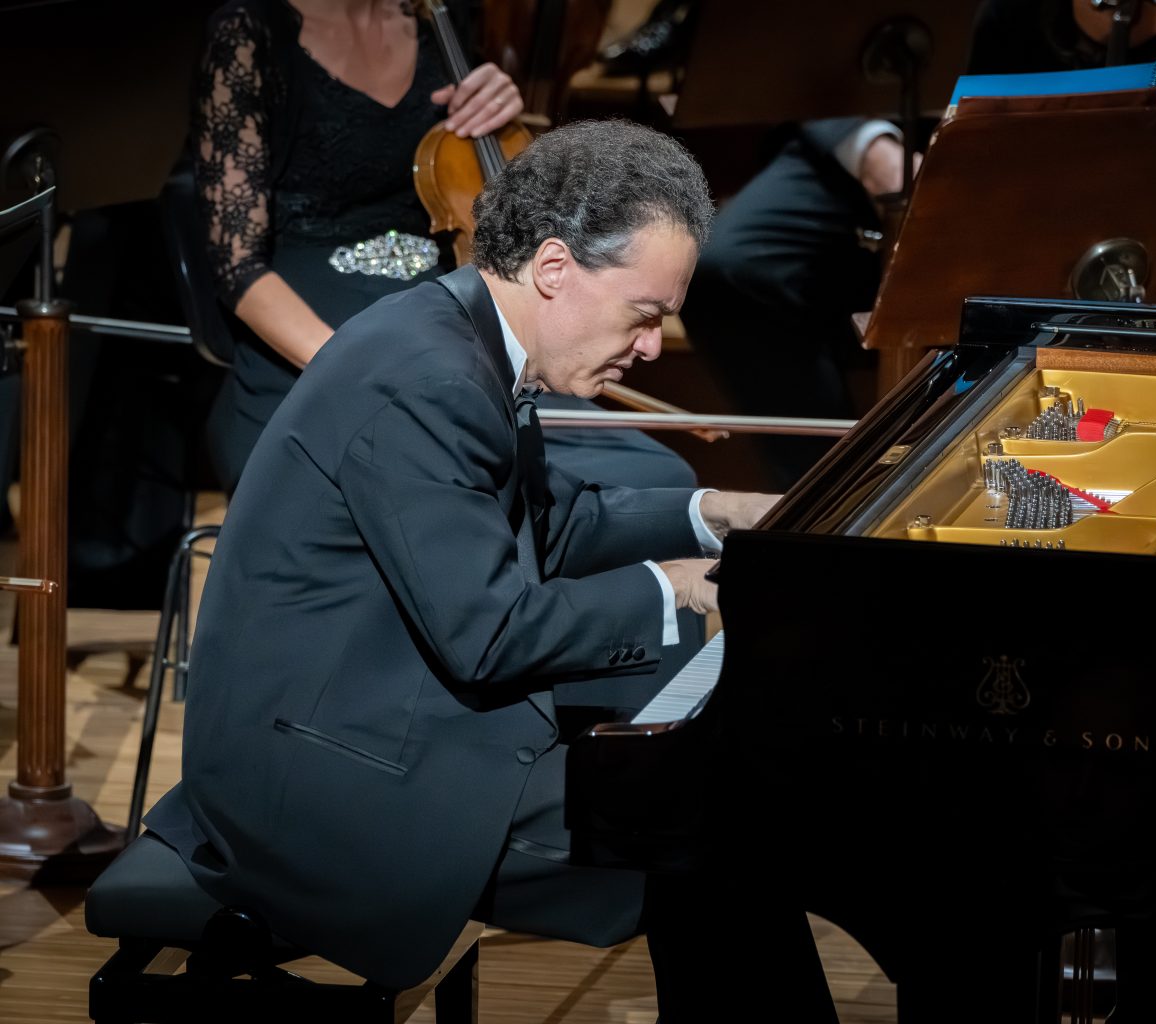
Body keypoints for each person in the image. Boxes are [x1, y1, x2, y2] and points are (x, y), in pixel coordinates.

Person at [142, 120, 801, 1008]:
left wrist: (710, 512)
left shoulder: (463, 333)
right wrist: (677, 587)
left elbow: (550, 526)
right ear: (555, 268)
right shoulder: (432, 378)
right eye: (645, 314)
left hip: (379, 704)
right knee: (714, 840)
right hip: (325, 776)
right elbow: (489, 637)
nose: (652, 346)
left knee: (710, 808)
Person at [679, 0, 1156, 489]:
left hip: (1095, 172)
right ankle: (830, 484)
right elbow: (814, 42)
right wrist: (879, 154)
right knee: (729, 267)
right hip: (879, 127)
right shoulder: (1011, 15)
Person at [196, 0, 697, 495]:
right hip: (314, 323)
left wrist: (499, 108)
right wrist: (353, 363)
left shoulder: (438, 16)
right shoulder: (249, 32)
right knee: (461, 478)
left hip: (439, 307)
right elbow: (237, 267)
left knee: (655, 478)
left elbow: (486, 201)